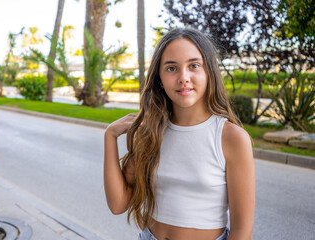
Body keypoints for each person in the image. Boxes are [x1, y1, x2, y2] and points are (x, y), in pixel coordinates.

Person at [103, 27, 255, 240]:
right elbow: (118, 204)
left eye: (194, 65)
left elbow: (242, 232)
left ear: (208, 71)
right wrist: (110, 136)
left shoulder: (232, 138)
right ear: (159, 78)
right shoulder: (152, 132)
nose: (184, 77)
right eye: (172, 68)